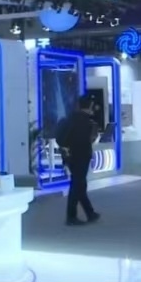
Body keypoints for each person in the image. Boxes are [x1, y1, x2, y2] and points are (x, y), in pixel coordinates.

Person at [54, 94, 101, 226]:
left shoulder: (71, 118)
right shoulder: (84, 121)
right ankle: (72, 216)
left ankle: (90, 213)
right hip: (81, 156)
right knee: (77, 185)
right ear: (90, 106)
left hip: (71, 156)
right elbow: (85, 141)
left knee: (79, 185)